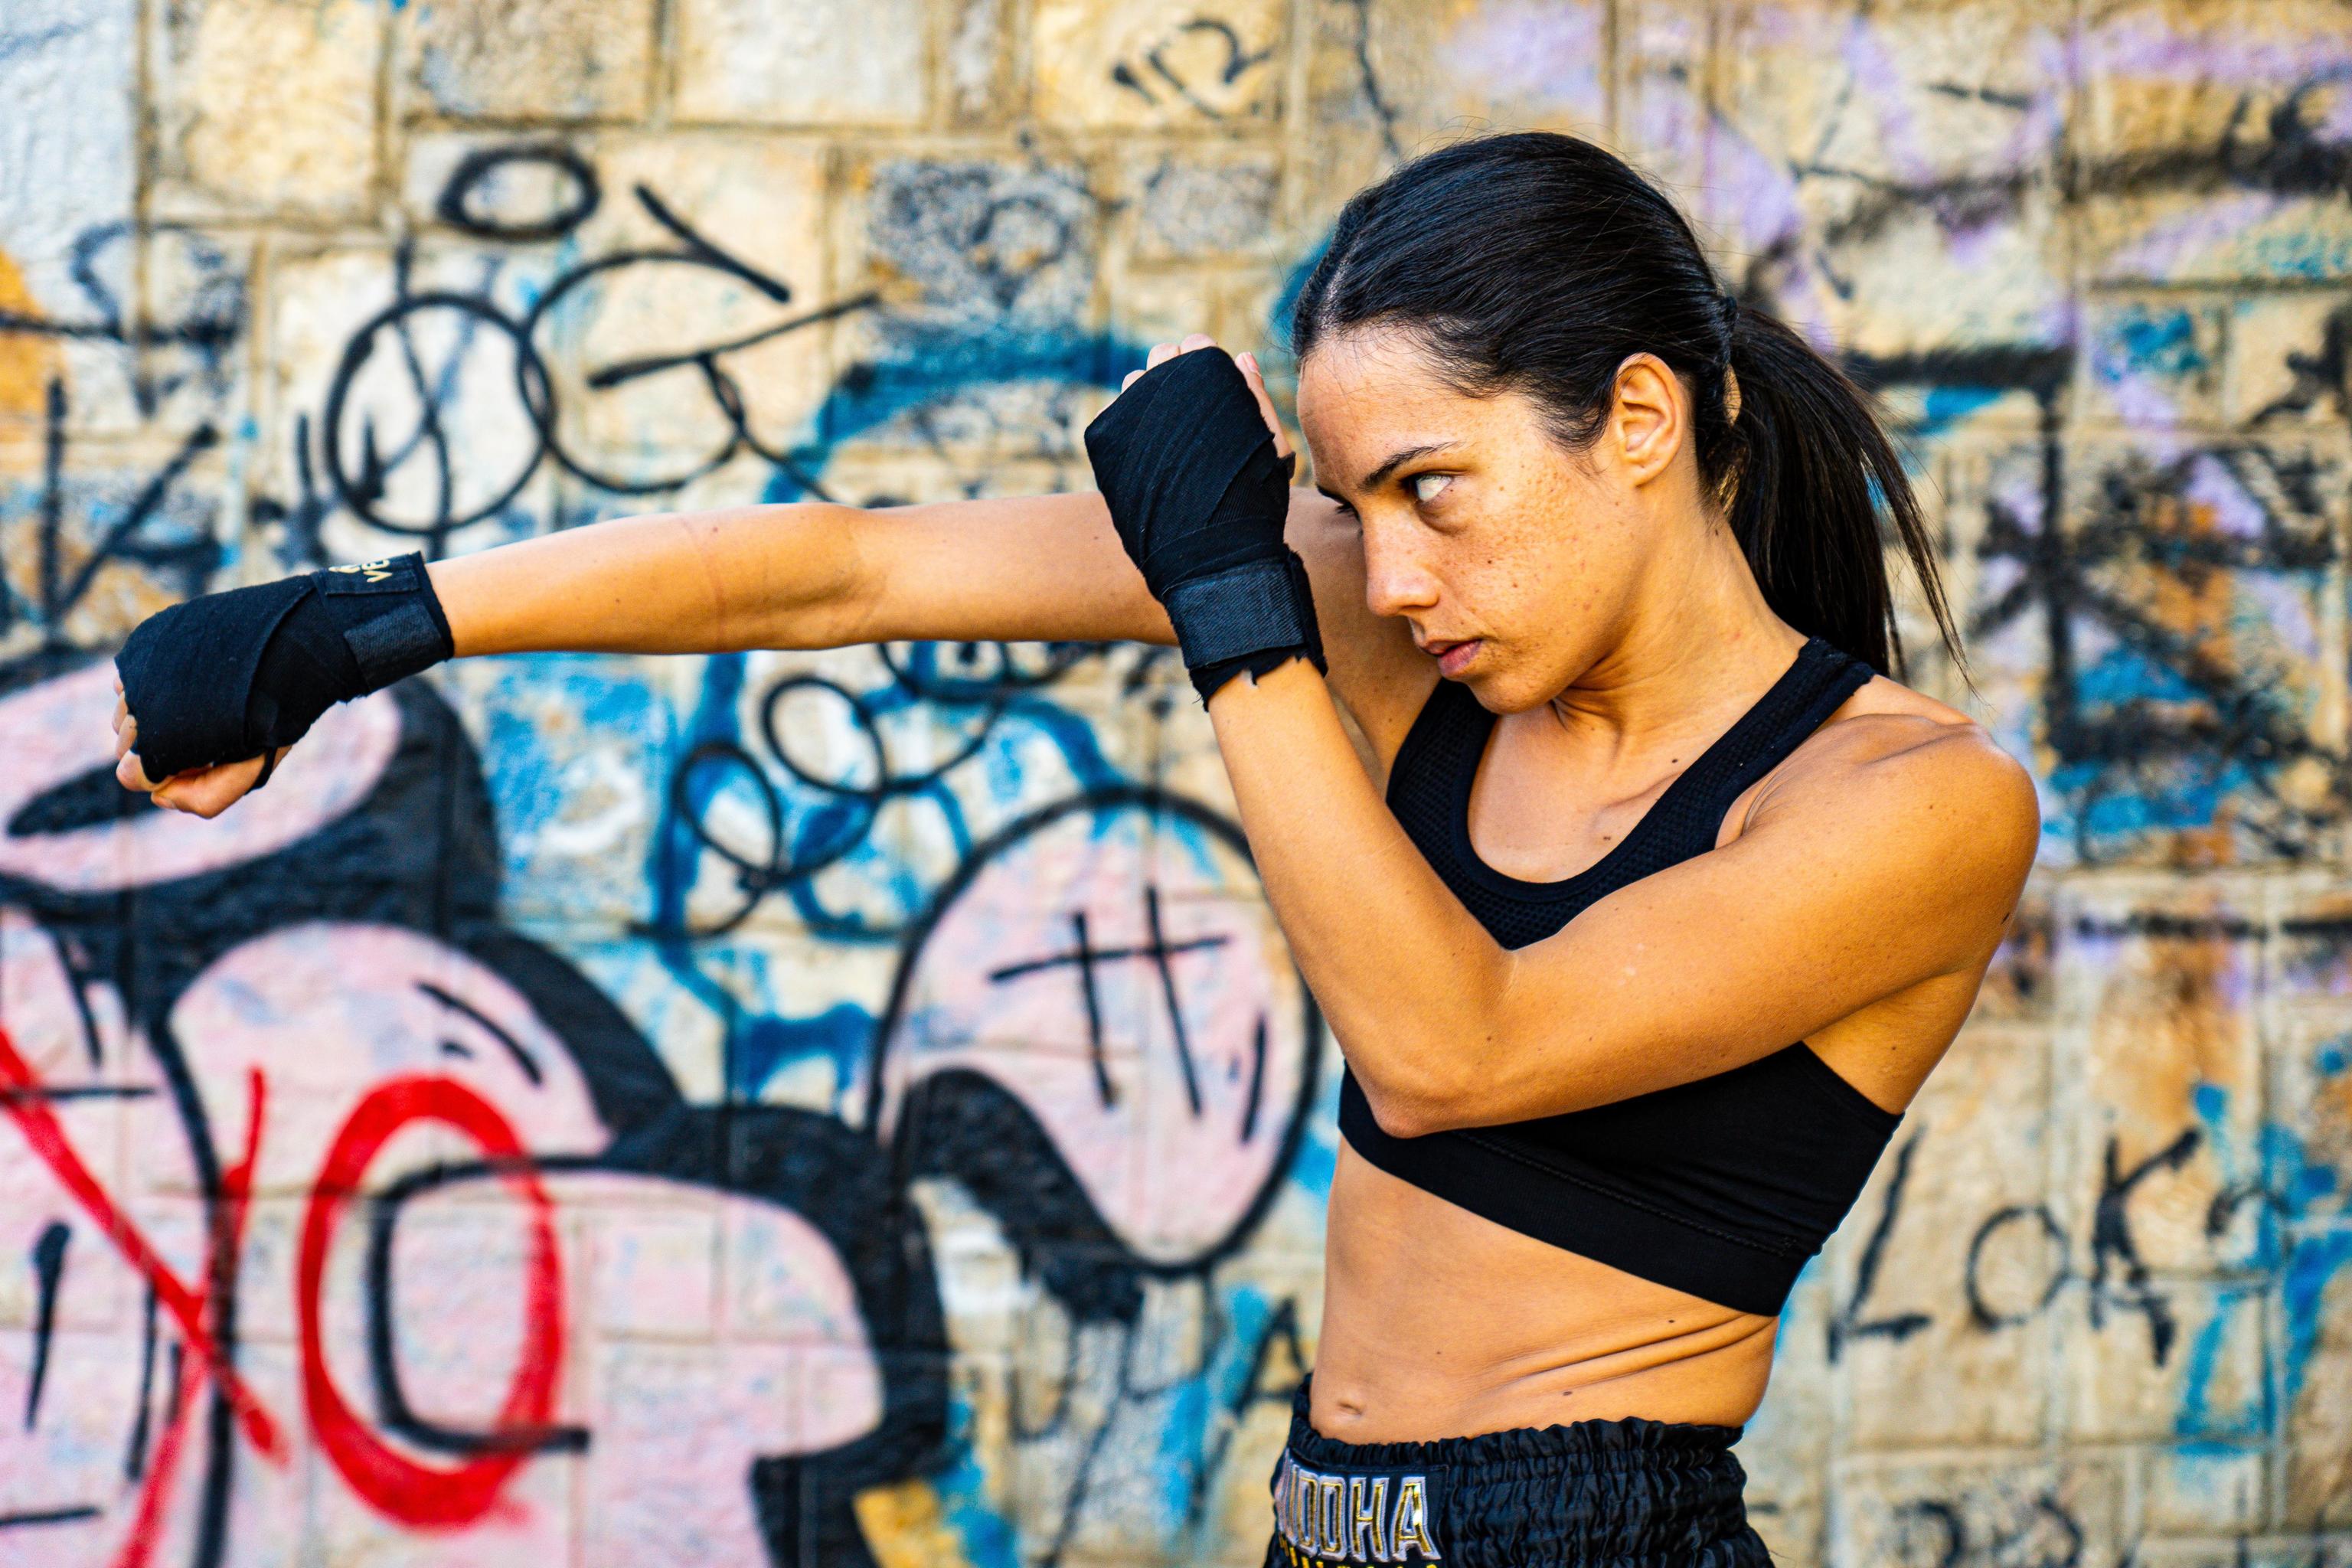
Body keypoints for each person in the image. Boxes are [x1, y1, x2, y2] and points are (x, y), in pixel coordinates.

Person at [109, 131, 2037, 1566]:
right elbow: (844, 569)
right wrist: (355, 629)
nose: (1396, 571)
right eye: (1353, 508)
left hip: (1586, 1532)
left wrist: (1236, 609)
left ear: (1635, 418)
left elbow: (1459, 1051)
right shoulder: (1396, 625)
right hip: (1318, 1521)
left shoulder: (1908, 805)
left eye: (1434, 491)